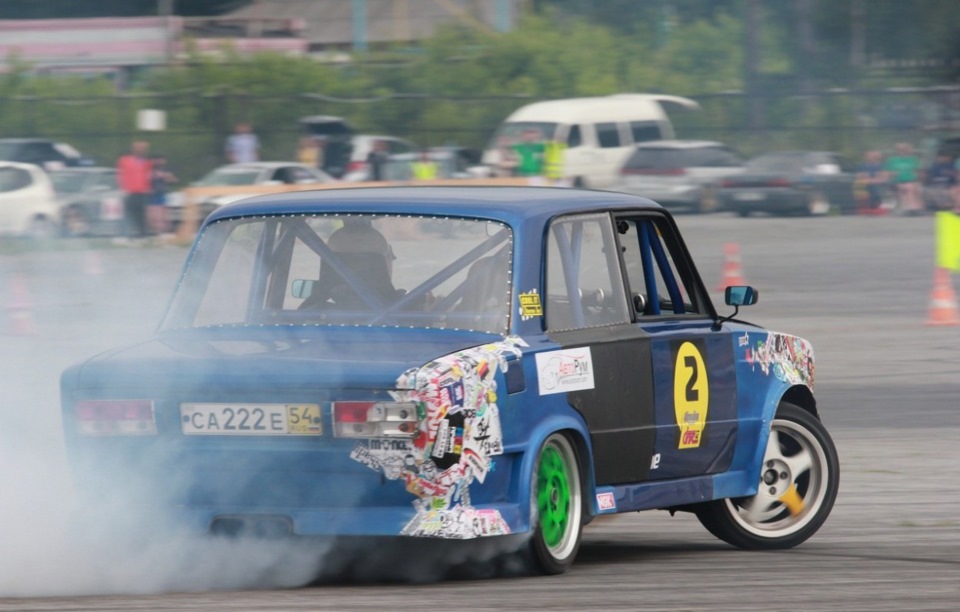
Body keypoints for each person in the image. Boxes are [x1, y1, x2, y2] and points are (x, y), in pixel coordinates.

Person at [116, 140, 153, 238]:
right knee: (129, 213)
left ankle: (142, 233)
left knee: (141, 214)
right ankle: (128, 233)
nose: (141, 150)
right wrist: (123, 188)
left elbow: (147, 177)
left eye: (143, 148)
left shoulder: (146, 163)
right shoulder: (125, 161)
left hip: (141, 192)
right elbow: (121, 175)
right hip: (130, 192)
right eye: (138, 148)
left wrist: (147, 188)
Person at [884, 143, 923, 214]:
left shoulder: (914, 159)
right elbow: (887, 172)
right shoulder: (892, 160)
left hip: (911, 181)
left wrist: (917, 178)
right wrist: (892, 173)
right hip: (896, 181)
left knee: (910, 187)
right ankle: (910, 208)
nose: (903, 152)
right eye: (901, 150)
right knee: (906, 188)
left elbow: (918, 172)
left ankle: (913, 208)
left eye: (905, 150)